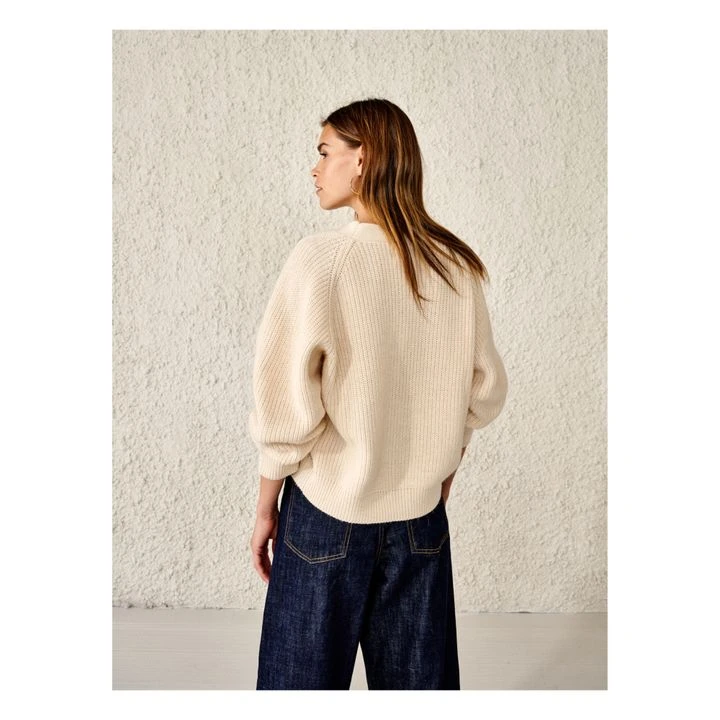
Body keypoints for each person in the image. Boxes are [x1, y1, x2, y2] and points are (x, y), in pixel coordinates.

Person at [248, 98, 508, 690]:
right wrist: (442, 467)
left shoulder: (322, 260)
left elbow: (285, 405)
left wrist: (266, 509)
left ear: (362, 159)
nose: (315, 168)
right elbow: (483, 391)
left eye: (324, 152)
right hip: (420, 518)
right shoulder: (455, 265)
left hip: (327, 513)